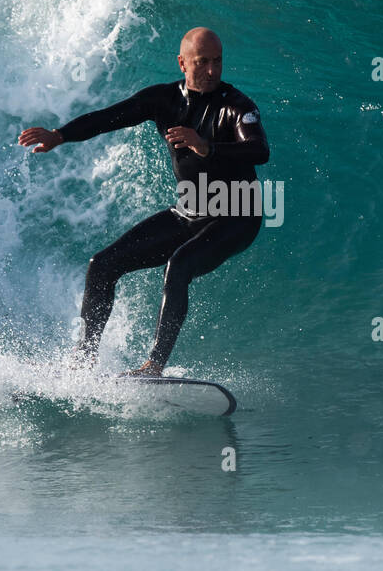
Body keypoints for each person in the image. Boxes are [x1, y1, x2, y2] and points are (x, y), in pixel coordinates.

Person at [18, 28, 269, 377]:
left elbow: (259, 150)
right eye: (202, 62)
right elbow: (109, 117)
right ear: (182, 63)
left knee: (178, 266)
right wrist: (60, 135)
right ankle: (83, 359)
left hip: (238, 212)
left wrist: (205, 146)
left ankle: (153, 367)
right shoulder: (164, 100)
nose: (212, 70)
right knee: (102, 265)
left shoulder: (237, 106)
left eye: (218, 61)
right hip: (192, 209)